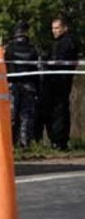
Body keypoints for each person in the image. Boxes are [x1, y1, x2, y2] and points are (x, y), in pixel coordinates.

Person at [43, 16, 80, 150]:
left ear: (65, 28)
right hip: (55, 80)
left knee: (59, 110)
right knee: (55, 110)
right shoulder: (57, 43)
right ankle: (57, 140)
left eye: (57, 28)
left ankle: (60, 141)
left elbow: (60, 60)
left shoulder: (68, 42)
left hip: (61, 81)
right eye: (53, 28)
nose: (54, 31)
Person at [5, 22, 42, 148]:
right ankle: (25, 143)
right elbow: (37, 71)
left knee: (11, 115)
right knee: (26, 116)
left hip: (12, 84)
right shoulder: (33, 49)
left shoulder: (9, 49)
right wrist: (38, 88)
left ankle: (9, 143)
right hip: (29, 85)